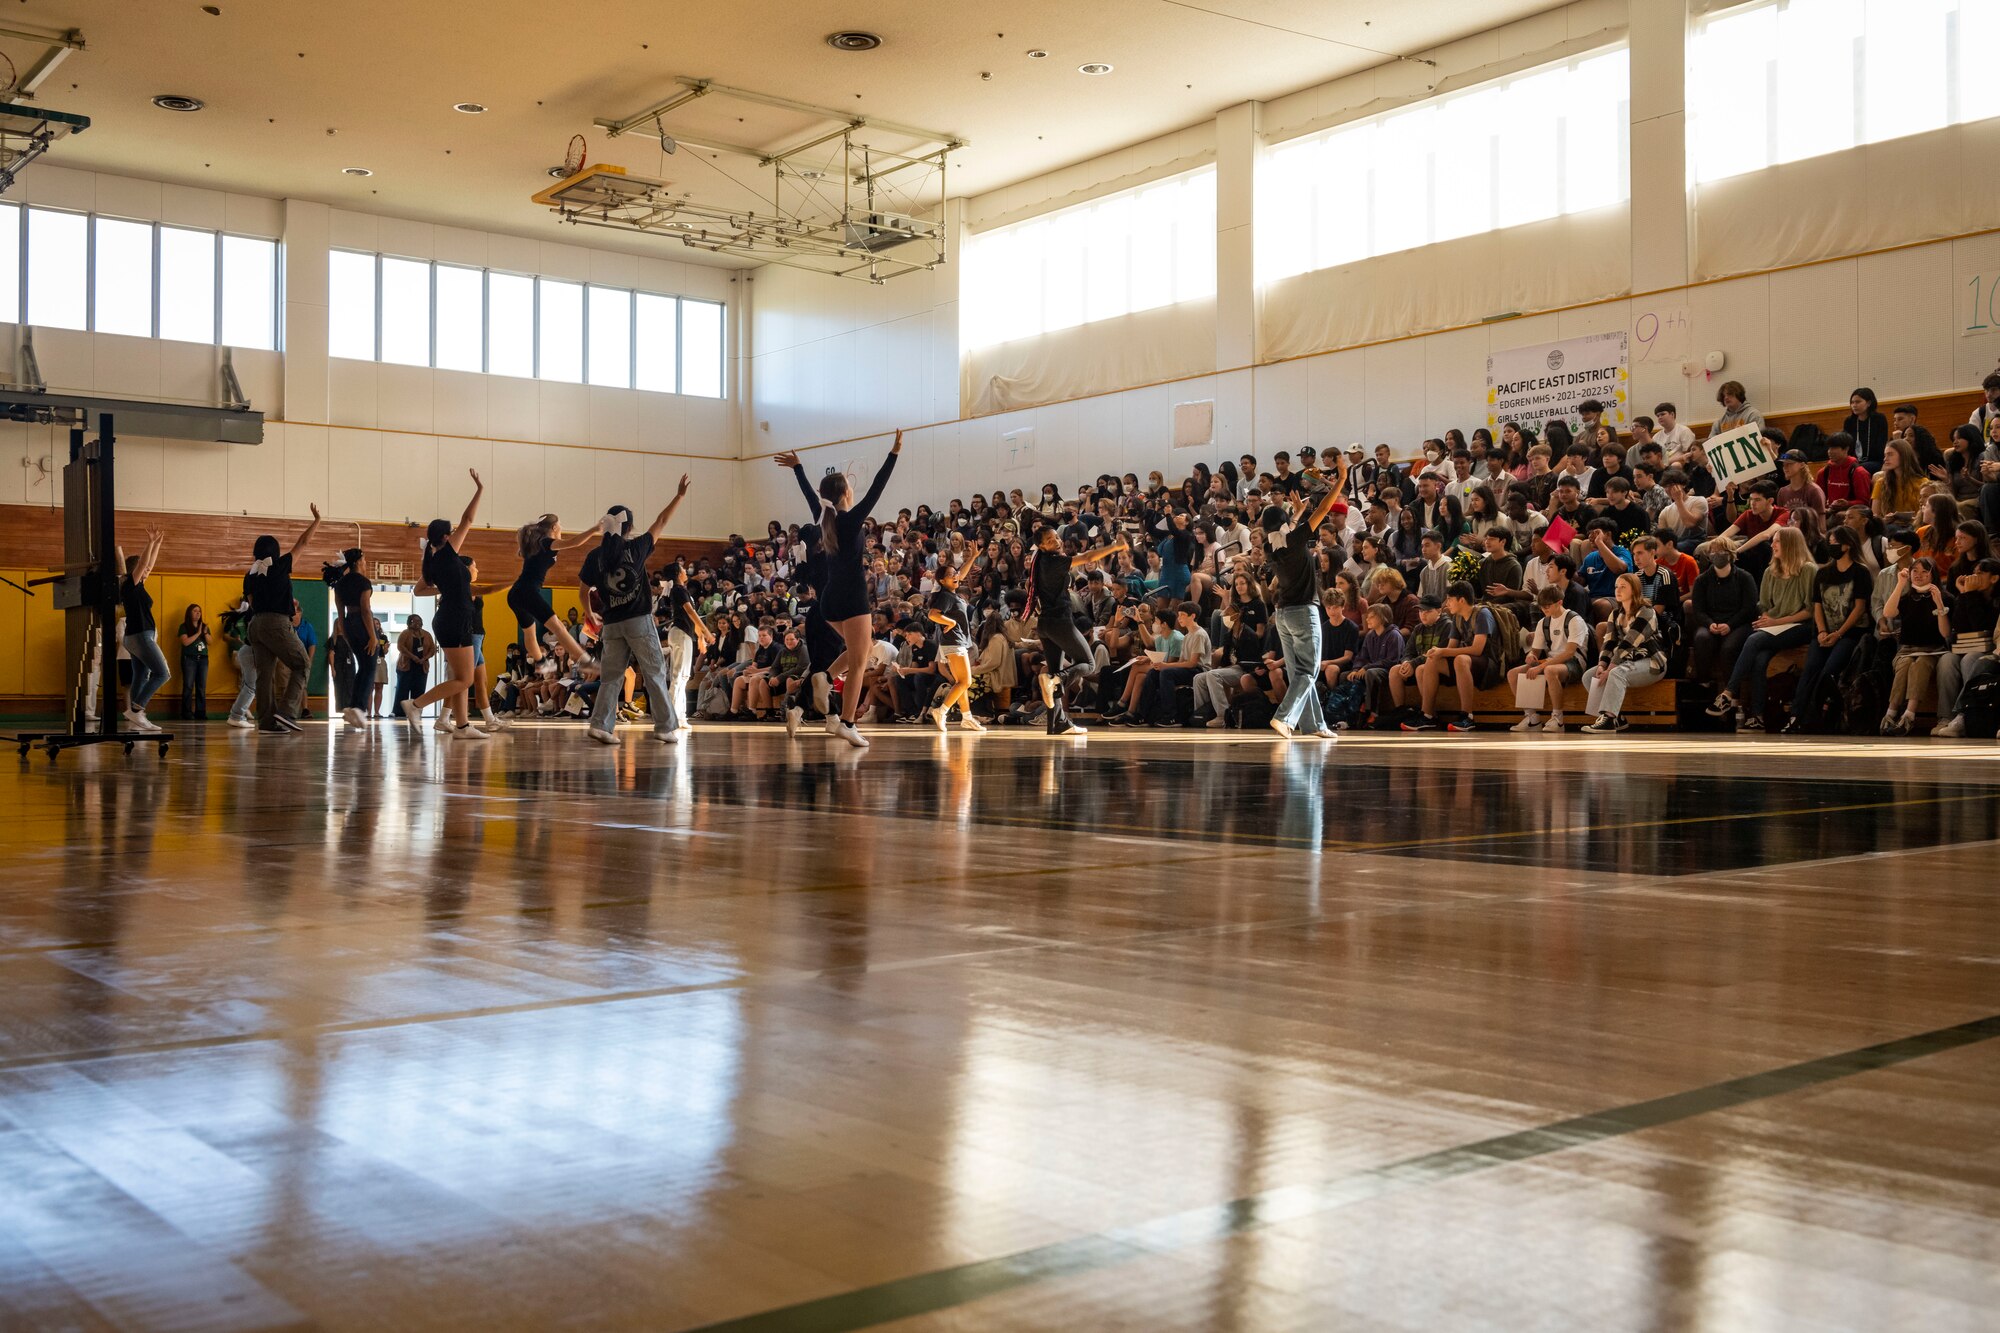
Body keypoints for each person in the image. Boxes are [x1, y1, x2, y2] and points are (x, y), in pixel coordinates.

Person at [780, 433, 902, 748]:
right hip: (853, 598)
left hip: (829, 601)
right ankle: (847, 723)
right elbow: (878, 486)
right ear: (847, 491)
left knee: (855, 651)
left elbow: (811, 495)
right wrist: (893, 453)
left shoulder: (824, 518)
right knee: (860, 663)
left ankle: (818, 681)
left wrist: (798, 468)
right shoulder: (849, 520)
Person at [577, 475, 693, 745]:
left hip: (612, 623)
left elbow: (583, 590)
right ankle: (664, 726)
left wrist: (589, 612)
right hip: (638, 621)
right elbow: (662, 521)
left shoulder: (595, 556)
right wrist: (679, 496)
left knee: (611, 677)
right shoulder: (637, 547)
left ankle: (601, 725)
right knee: (654, 672)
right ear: (629, 526)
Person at [402, 472, 491, 740]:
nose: (456, 533)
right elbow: (469, 519)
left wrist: (448, 589)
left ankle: (462, 726)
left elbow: (420, 589)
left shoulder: (433, 561)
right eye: (451, 532)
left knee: (461, 674)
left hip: (450, 618)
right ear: (444, 536)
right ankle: (416, 705)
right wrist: (479, 489)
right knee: (465, 679)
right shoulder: (447, 553)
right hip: (455, 619)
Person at [1262, 463, 1346, 740]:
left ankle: (1315, 725)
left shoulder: (1270, 546)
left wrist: (1296, 513)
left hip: (1283, 614)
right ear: (1283, 522)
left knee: (1300, 672)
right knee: (1309, 670)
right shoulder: (1295, 539)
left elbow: (1288, 531)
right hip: (1303, 612)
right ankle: (1284, 718)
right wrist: (1341, 479)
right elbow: (1322, 510)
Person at [1706, 527, 1816, 730]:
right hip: (1775, 626)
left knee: (1754, 640)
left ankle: (1729, 693)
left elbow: (1810, 610)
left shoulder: (1808, 570)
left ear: (1791, 545)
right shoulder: (1770, 571)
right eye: (1773, 541)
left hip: (1801, 625)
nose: (1772, 545)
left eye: (1777, 542)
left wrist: (1775, 622)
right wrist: (1767, 618)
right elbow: (1764, 604)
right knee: (1759, 658)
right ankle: (1757, 715)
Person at [1027, 522, 1128, 739]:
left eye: (1056, 537)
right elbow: (1088, 557)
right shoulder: (1055, 561)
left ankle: (1057, 724)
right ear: (1042, 546)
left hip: (1045, 623)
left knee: (1053, 672)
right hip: (1060, 621)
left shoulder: (1039, 560)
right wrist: (1115, 547)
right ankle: (1057, 681)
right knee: (1088, 663)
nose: (1057, 541)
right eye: (1050, 540)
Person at [1780, 526, 1873, 733]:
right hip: (1823, 632)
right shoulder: (1823, 573)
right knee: (1809, 671)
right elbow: (1817, 605)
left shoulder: (1860, 572)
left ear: (1847, 545)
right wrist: (1822, 631)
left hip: (1850, 633)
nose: (1830, 546)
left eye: (1834, 542)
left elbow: (1859, 608)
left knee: (1828, 671)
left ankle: (1816, 717)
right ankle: (1796, 716)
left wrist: (1838, 634)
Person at [244, 505, 322, 733]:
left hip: (256, 625)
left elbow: (252, 603)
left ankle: (267, 723)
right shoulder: (280, 566)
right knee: (302, 664)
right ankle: (287, 712)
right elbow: (303, 543)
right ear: (275, 551)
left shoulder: (250, 574)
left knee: (264, 675)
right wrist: (317, 520)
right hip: (276, 623)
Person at [1404, 581, 1500, 733]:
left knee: (1460, 659)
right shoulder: (1457, 618)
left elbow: (1477, 649)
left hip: (1489, 665)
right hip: (1464, 664)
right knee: (1429, 662)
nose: (1446, 603)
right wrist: (1438, 653)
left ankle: (1467, 716)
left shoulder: (1482, 614)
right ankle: (1428, 716)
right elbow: (1451, 648)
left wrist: (1443, 652)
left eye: (1449, 599)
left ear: (1461, 600)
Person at [1582, 573, 1668, 733]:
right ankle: (1617, 718)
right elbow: (1609, 642)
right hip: (1625, 662)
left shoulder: (1646, 611)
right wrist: (1602, 664)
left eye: (1623, 587)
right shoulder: (1615, 614)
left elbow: (1629, 643)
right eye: (1616, 586)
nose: (1618, 590)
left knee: (1616, 673)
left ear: (1634, 590)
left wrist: (1610, 668)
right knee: (1589, 676)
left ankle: (1608, 720)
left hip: (1651, 661)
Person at [508, 514, 594, 666]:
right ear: (554, 528)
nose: (562, 528)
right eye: (560, 525)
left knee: (530, 632)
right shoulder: (547, 542)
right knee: (559, 627)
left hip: (516, 593)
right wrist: (596, 529)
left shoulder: (536, 543)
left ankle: (541, 665)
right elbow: (575, 542)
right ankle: (585, 661)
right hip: (527, 591)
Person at [1881, 558, 1950, 735]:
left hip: (1933, 649)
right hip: (1906, 649)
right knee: (1904, 665)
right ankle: (1890, 713)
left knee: (1919, 664)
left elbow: (1945, 634)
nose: (1919, 575)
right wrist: (1900, 584)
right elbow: (1888, 613)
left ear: (1932, 574)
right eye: (1915, 571)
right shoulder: (1906, 598)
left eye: (1924, 572)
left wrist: (1939, 605)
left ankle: (1909, 715)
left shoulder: (1945, 597)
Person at [1510, 584, 1588, 731]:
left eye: (1548, 606)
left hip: (1574, 662)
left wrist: (1541, 666)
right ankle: (1531, 718)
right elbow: (1535, 651)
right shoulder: (1543, 622)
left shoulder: (1574, 620)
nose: (1544, 609)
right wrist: (1531, 656)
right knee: (1513, 674)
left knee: (1550, 671)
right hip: (1549, 661)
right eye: (1542, 607)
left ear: (1560, 602)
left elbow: (1569, 652)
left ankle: (1558, 719)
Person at [1688, 547, 1760, 693]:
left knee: (1729, 648)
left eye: (1722, 551)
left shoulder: (1745, 577)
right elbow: (1698, 609)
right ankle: (1704, 684)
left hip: (1738, 623)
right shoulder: (1702, 580)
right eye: (1714, 551)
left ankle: (1732, 693)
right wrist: (1709, 623)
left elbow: (1749, 608)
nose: (1717, 555)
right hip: (1711, 622)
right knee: (1701, 638)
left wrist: (1730, 624)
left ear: (1731, 555)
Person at [925, 553, 983, 732]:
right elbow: (932, 614)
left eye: (955, 573)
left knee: (960, 682)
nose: (956, 576)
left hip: (956, 641)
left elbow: (962, 574)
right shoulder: (946, 596)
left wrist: (972, 557)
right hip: (954, 641)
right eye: (951, 575)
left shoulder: (950, 592)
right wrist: (950, 622)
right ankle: (941, 711)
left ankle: (967, 717)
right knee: (965, 682)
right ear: (942, 581)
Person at [118, 529, 168, 733]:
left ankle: (136, 718)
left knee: (141, 675)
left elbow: (149, 564)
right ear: (134, 572)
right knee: (163, 673)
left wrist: (157, 544)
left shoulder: (138, 587)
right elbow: (143, 564)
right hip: (140, 636)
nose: (148, 570)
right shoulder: (130, 585)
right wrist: (149, 543)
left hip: (134, 637)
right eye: (144, 569)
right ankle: (137, 710)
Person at [323, 547, 377, 728]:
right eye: (364, 559)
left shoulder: (340, 583)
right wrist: (372, 636)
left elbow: (340, 612)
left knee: (362, 666)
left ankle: (353, 706)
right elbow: (366, 610)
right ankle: (359, 709)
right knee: (369, 668)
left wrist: (344, 630)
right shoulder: (363, 582)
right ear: (357, 562)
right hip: (362, 625)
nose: (366, 562)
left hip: (348, 624)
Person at [657, 560, 710, 738]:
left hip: (684, 633)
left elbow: (691, 618)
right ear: (678, 573)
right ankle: (670, 718)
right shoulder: (678, 590)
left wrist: (701, 637)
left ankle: (680, 716)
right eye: (682, 569)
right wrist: (707, 631)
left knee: (683, 676)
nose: (685, 570)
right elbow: (690, 613)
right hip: (680, 633)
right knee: (678, 677)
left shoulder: (682, 589)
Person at [393, 615, 435, 715]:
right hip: (406, 665)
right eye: (414, 621)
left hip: (421, 666)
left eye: (419, 621)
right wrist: (413, 657)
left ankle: (415, 712)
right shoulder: (405, 633)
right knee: (402, 690)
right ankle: (399, 713)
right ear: (409, 623)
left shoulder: (427, 634)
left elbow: (432, 649)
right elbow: (401, 647)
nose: (417, 623)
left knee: (419, 690)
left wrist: (425, 658)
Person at [177, 603, 210, 721]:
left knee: (201, 687)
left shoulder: (204, 626)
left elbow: (210, 642)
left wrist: (204, 632)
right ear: (189, 613)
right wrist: (197, 633)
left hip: (203, 659)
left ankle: (200, 712)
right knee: (188, 686)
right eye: (195, 611)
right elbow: (185, 642)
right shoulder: (184, 626)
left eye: (199, 611)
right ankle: (186, 713)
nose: (198, 613)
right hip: (189, 659)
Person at [1843, 388, 1888, 470]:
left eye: (1858, 402)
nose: (1854, 405)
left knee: (1859, 469)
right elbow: (1846, 445)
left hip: (1876, 461)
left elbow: (1881, 445)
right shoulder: (1849, 421)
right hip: (1854, 461)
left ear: (1869, 403)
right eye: (1852, 402)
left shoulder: (1879, 419)